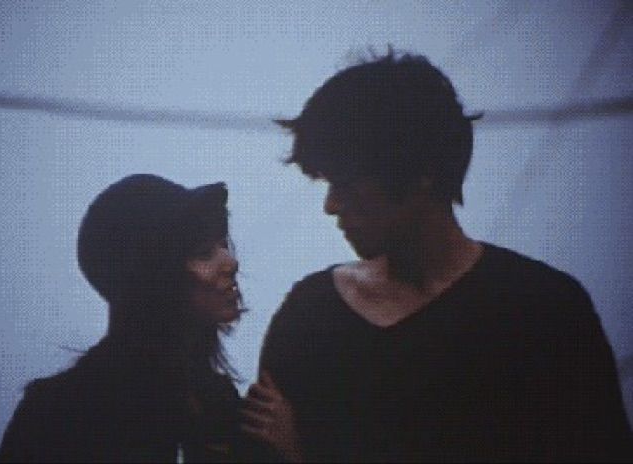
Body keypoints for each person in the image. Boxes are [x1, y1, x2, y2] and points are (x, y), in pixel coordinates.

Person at [242, 49, 633, 461]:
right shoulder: (312, 314)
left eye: (347, 183)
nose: (332, 206)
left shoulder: (542, 311)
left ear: (419, 174)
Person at [0, 174, 246, 462]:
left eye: (222, 244)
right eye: (203, 253)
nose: (231, 262)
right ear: (152, 280)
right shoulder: (62, 413)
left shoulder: (216, 399)